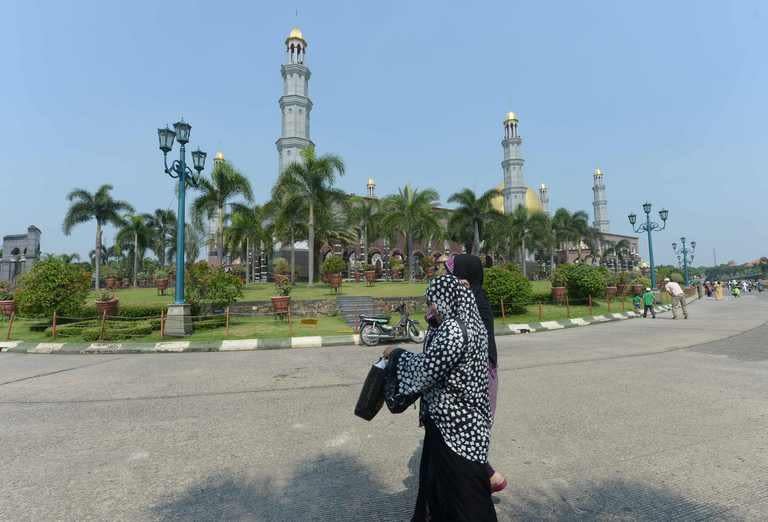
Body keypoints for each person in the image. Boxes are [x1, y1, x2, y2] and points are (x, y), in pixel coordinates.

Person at [383, 274, 495, 521]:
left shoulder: (454, 331)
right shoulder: (472, 323)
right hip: (466, 422)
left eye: (432, 302)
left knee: (464, 494)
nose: (429, 308)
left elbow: (427, 369)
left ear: (445, 300)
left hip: (455, 428)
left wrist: (398, 355)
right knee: (442, 486)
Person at [447, 254, 507, 493]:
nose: (447, 280)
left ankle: (485, 480)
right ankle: (489, 477)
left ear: (466, 279)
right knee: (463, 432)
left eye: (452, 275)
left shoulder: (475, 302)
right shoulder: (469, 298)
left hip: (479, 375)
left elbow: (465, 339)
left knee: (467, 430)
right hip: (470, 374)